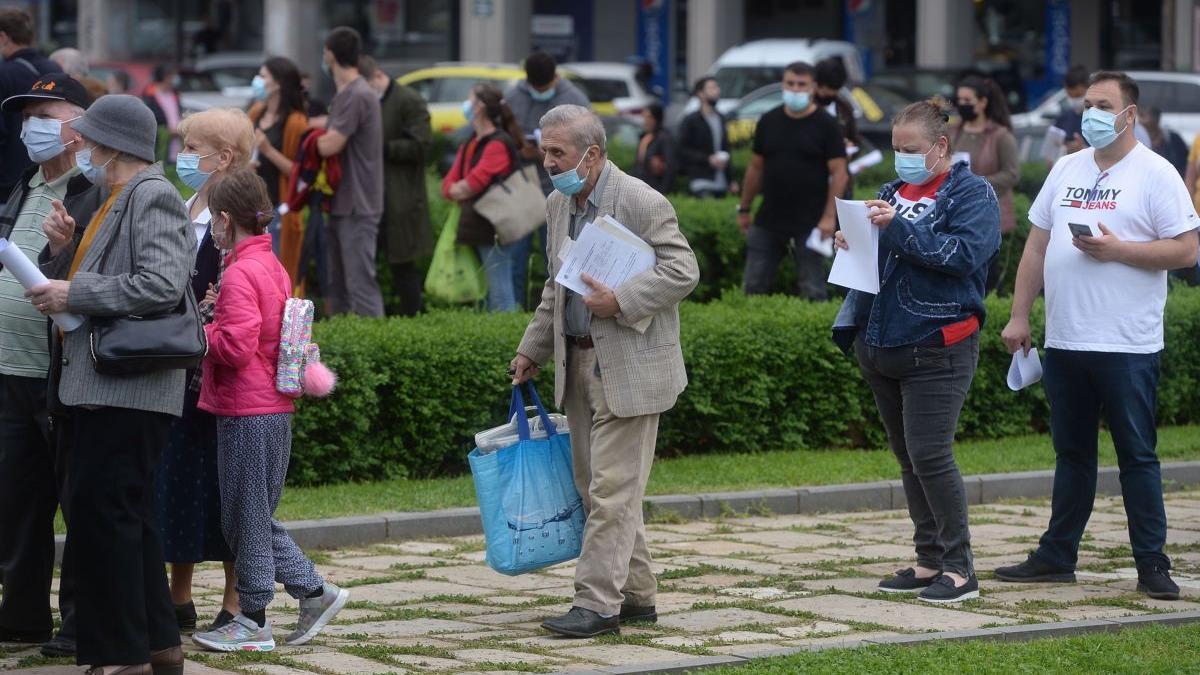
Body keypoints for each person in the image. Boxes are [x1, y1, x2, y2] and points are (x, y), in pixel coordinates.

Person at [995, 71, 1200, 601]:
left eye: (1103, 105)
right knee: (1073, 454)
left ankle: (1152, 564)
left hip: (1127, 345)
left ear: (1129, 115)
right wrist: (1021, 315)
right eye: (1088, 104)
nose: (1092, 115)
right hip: (1066, 339)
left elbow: (1186, 251)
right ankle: (1057, 556)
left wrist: (1120, 251)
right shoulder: (1067, 167)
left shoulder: (1156, 173)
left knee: (1137, 455)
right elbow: (1037, 247)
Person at [510, 104, 699, 638]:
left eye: (558, 152)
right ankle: (637, 597)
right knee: (599, 490)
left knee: (613, 489)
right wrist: (533, 349)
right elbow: (557, 285)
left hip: (632, 366)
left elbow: (684, 270)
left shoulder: (641, 199)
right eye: (543, 150)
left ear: (591, 155)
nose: (548, 161)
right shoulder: (557, 203)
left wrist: (623, 299)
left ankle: (597, 605)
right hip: (576, 361)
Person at [30, 93, 189, 675]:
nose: (81, 146)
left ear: (112, 143)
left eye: (88, 136)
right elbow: (115, 277)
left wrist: (74, 292)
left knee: (105, 519)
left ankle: (122, 655)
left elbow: (162, 283)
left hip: (129, 388)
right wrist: (64, 254)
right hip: (104, 386)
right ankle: (156, 646)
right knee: (127, 516)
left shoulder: (152, 194)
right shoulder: (114, 197)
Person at [831, 99, 1000, 604]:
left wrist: (895, 228)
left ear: (940, 146)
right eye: (895, 148)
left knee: (931, 453)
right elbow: (881, 256)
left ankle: (959, 568)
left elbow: (963, 257)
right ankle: (929, 561)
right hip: (881, 342)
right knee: (909, 457)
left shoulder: (973, 194)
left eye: (911, 149)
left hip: (939, 344)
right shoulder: (891, 191)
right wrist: (853, 240)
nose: (901, 158)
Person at [191, 169, 349, 651]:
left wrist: (201, 331)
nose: (211, 229)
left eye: (212, 220)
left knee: (246, 516)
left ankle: (254, 620)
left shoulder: (239, 270)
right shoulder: (271, 264)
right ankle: (313, 593)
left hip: (247, 408)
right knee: (249, 516)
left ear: (223, 219)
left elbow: (236, 348)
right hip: (271, 406)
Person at [0, 73, 97, 659]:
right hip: (12, 370)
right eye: (26, 114)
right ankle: (22, 614)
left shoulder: (93, 189)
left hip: (61, 373)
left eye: (45, 113)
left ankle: (82, 622)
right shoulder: (22, 184)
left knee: (78, 499)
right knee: (16, 499)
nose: (31, 125)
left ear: (78, 124)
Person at [155, 107, 254, 637]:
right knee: (179, 480)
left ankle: (236, 599)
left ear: (225, 157)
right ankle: (179, 592)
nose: (183, 155)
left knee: (227, 487)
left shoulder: (244, 216)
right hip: (180, 368)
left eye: (193, 147)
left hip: (225, 374)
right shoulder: (184, 204)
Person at [737, 62, 848, 300]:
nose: (795, 89)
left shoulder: (827, 125)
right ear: (782, 85)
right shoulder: (768, 120)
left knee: (813, 290)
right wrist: (744, 208)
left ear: (813, 87)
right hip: (768, 219)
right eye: (790, 84)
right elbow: (755, 168)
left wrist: (830, 217)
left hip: (812, 222)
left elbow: (840, 173)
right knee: (752, 287)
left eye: (801, 84)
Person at [504, 50, 590, 309]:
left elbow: (589, 143)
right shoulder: (514, 98)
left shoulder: (575, 99)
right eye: (535, 87)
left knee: (557, 258)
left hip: (560, 187)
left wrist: (546, 150)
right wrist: (519, 148)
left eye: (545, 86)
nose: (540, 91)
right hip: (523, 187)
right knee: (515, 259)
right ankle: (516, 311)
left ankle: (560, 311)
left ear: (556, 77)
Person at [315, 26, 385, 317]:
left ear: (330, 54)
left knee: (359, 285)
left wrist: (301, 142)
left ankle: (375, 349)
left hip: (358, 204)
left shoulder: (356, 93)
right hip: (346, 203)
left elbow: (330, 145)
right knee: (340, 286)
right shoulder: (350, 93)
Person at [441, 84, 525, 312]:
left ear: (478, 108)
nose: (466, 105)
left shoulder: (497, 143)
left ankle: (504, 336)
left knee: (499, 287)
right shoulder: (472, 141)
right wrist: (457, 188)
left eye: (470, 100)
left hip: (495, 226)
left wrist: (458, 188)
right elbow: (449, 185)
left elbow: (470, 185)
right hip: (481, 225)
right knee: (491, 286)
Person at [361, 56, 433, 317]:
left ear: (378, 75)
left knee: (403, 266)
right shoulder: (373, 101)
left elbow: (422, 145)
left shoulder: (408, 99)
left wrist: (382, 149)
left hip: (400, 196)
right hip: (374, 194)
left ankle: (411, 319)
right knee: (369, 263)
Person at [247, 56, 308, 289]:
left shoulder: (295, 122)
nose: (258, 81)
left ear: (279, 83)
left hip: (278, 210)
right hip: (251, 208)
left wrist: (267, 150)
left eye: (263, 77)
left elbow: (300, 174)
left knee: (276, 278)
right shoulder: (256, 113)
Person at [0, 7, 63, 202]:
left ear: (3, 37)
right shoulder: (54, 70)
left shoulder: (3, 73)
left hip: (8, 184)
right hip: (52, 177)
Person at [814, 57, 866, 197]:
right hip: (812, 183)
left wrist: (850, 148)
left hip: (840, 183)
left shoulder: (843, 108)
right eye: (824, 89)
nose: (828, 94)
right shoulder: (806, 109)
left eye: (834, 89)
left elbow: (855, 139)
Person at [677, 77, 735, 198]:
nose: (717, 91)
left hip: (722, 183)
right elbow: (682, 150)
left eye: (717, 87)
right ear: (701, 94)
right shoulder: (691, 120)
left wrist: (731, 180)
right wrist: (708, 159)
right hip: (701, 181)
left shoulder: (721, 118)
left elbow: (726, 149)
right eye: (712, 88)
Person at [1041, 65, 1090, 167]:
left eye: (1078, 96)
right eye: (1070, 96)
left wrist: (1083, 150)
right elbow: (1051, 152)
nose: (1074, 100)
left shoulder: (1098, 119)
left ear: (1088, 88)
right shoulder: (1063, 119)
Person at [631, 103, 676, 195]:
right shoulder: (644, 137)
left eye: (649, 117)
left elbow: (670, 166)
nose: (646, 121)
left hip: (654, 187)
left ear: (657, 119)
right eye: (644, 117)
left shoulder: (664, 138)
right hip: (639, 185)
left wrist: (663, 191)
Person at [143, 64, 183, 163]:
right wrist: (168, 131)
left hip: (176, 146)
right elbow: (150, 120)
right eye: (172, 75)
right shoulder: (150, 96)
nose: (175, 78)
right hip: (160, 146)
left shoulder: (174, 94)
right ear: (166, 77)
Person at [1139, 105, 1187, 177]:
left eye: (1142, 116)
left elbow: (1185, 165)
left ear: (1155, 119)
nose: (1139, 120)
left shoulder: (1174, 139)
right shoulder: (1137, 141)